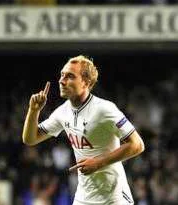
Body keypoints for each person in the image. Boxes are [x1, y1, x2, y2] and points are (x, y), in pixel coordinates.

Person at [22, 55, 145, 204]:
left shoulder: (104, 109)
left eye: (70, 76)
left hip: (113, 196)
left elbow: (137, 145)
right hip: (84, 197)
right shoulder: (62, 112)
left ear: (86, 82)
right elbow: (30, 138)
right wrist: (34, 111)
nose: (62, 81)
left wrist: (98, 162)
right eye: (62, 75)